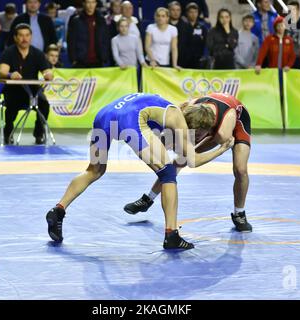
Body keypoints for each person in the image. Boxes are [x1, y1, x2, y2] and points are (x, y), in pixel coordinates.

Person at [45, 93, 234, 249]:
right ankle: (172, 235)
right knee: (167, 174)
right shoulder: (177, 119)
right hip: (130, 119)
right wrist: (221, 149)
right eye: (200, 134)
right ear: (195, 126)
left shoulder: (168, 114)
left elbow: (161, 146)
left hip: (104, 115)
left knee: (94, 170)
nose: (199, 138)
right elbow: (192, 161)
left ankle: (58, 210)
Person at [124, 92, 253, 233]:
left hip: (237, 122)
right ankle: (147, 200)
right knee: (177, 161)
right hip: (209, 118)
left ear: (208, 130)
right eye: (192, 134)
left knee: (240, 170)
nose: (195, 138)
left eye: (197, 135)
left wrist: (219, 150)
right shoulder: (187, 110)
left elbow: (209, 149)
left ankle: (239, 213)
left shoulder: (222, 133)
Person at [0, 23, 53, 145]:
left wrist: (49, 74)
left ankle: (38, 134)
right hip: (14, 89)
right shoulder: (9, 52)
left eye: (27, 35)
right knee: (11, 106)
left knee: (44, 105)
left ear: (31, 37)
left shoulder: (38, 53)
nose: (25, 38)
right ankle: (8, 133)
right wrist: (10, 75)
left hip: (33, 91)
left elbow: (47, 71)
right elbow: (2, 72)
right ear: (15, 38)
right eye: (21, 36)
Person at [67, 0, 110, 68]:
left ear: (96, 4)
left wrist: (104, 56)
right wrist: (73, 59)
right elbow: (71, 40)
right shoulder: (76, 20)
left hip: (98, 61)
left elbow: (105, 38)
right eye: (88, 2)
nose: (91, 5)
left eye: (93, 2)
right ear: (84, 3)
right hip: (81, 61)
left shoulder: (101, 19)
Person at [168, 1, 192, 68]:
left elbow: (189, 44)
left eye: (178, 10)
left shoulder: (186, 26)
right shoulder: (165, 25)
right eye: (173, 10)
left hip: (183, 61)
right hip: (166, 60)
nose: (176, 12)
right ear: (169, 11)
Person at [185, 2, 208, 69]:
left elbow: (206, 43)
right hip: (185, 60)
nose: (193, 14)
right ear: (187, 13)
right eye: (191, 12)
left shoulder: (202, 27)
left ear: (198, 13)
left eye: (195, 12)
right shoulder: (183, 27)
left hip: (199, 60)